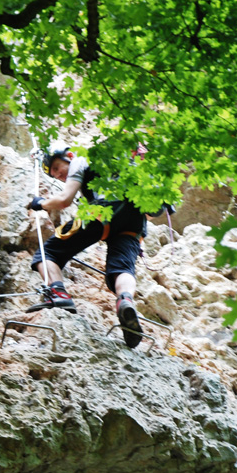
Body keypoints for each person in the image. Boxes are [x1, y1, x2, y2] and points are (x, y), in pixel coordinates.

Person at [26, 143, 153, 348]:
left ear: (69, 156)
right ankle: (126, 301)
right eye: (54, 174)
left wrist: (40, 203)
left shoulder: (80, 160)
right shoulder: (117, 165)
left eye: (58, 167)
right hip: (134, 221)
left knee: (46, 253)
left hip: (104, 211)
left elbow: (64, 200)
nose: (58, 174)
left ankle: (58, 294)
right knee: (121, 268)